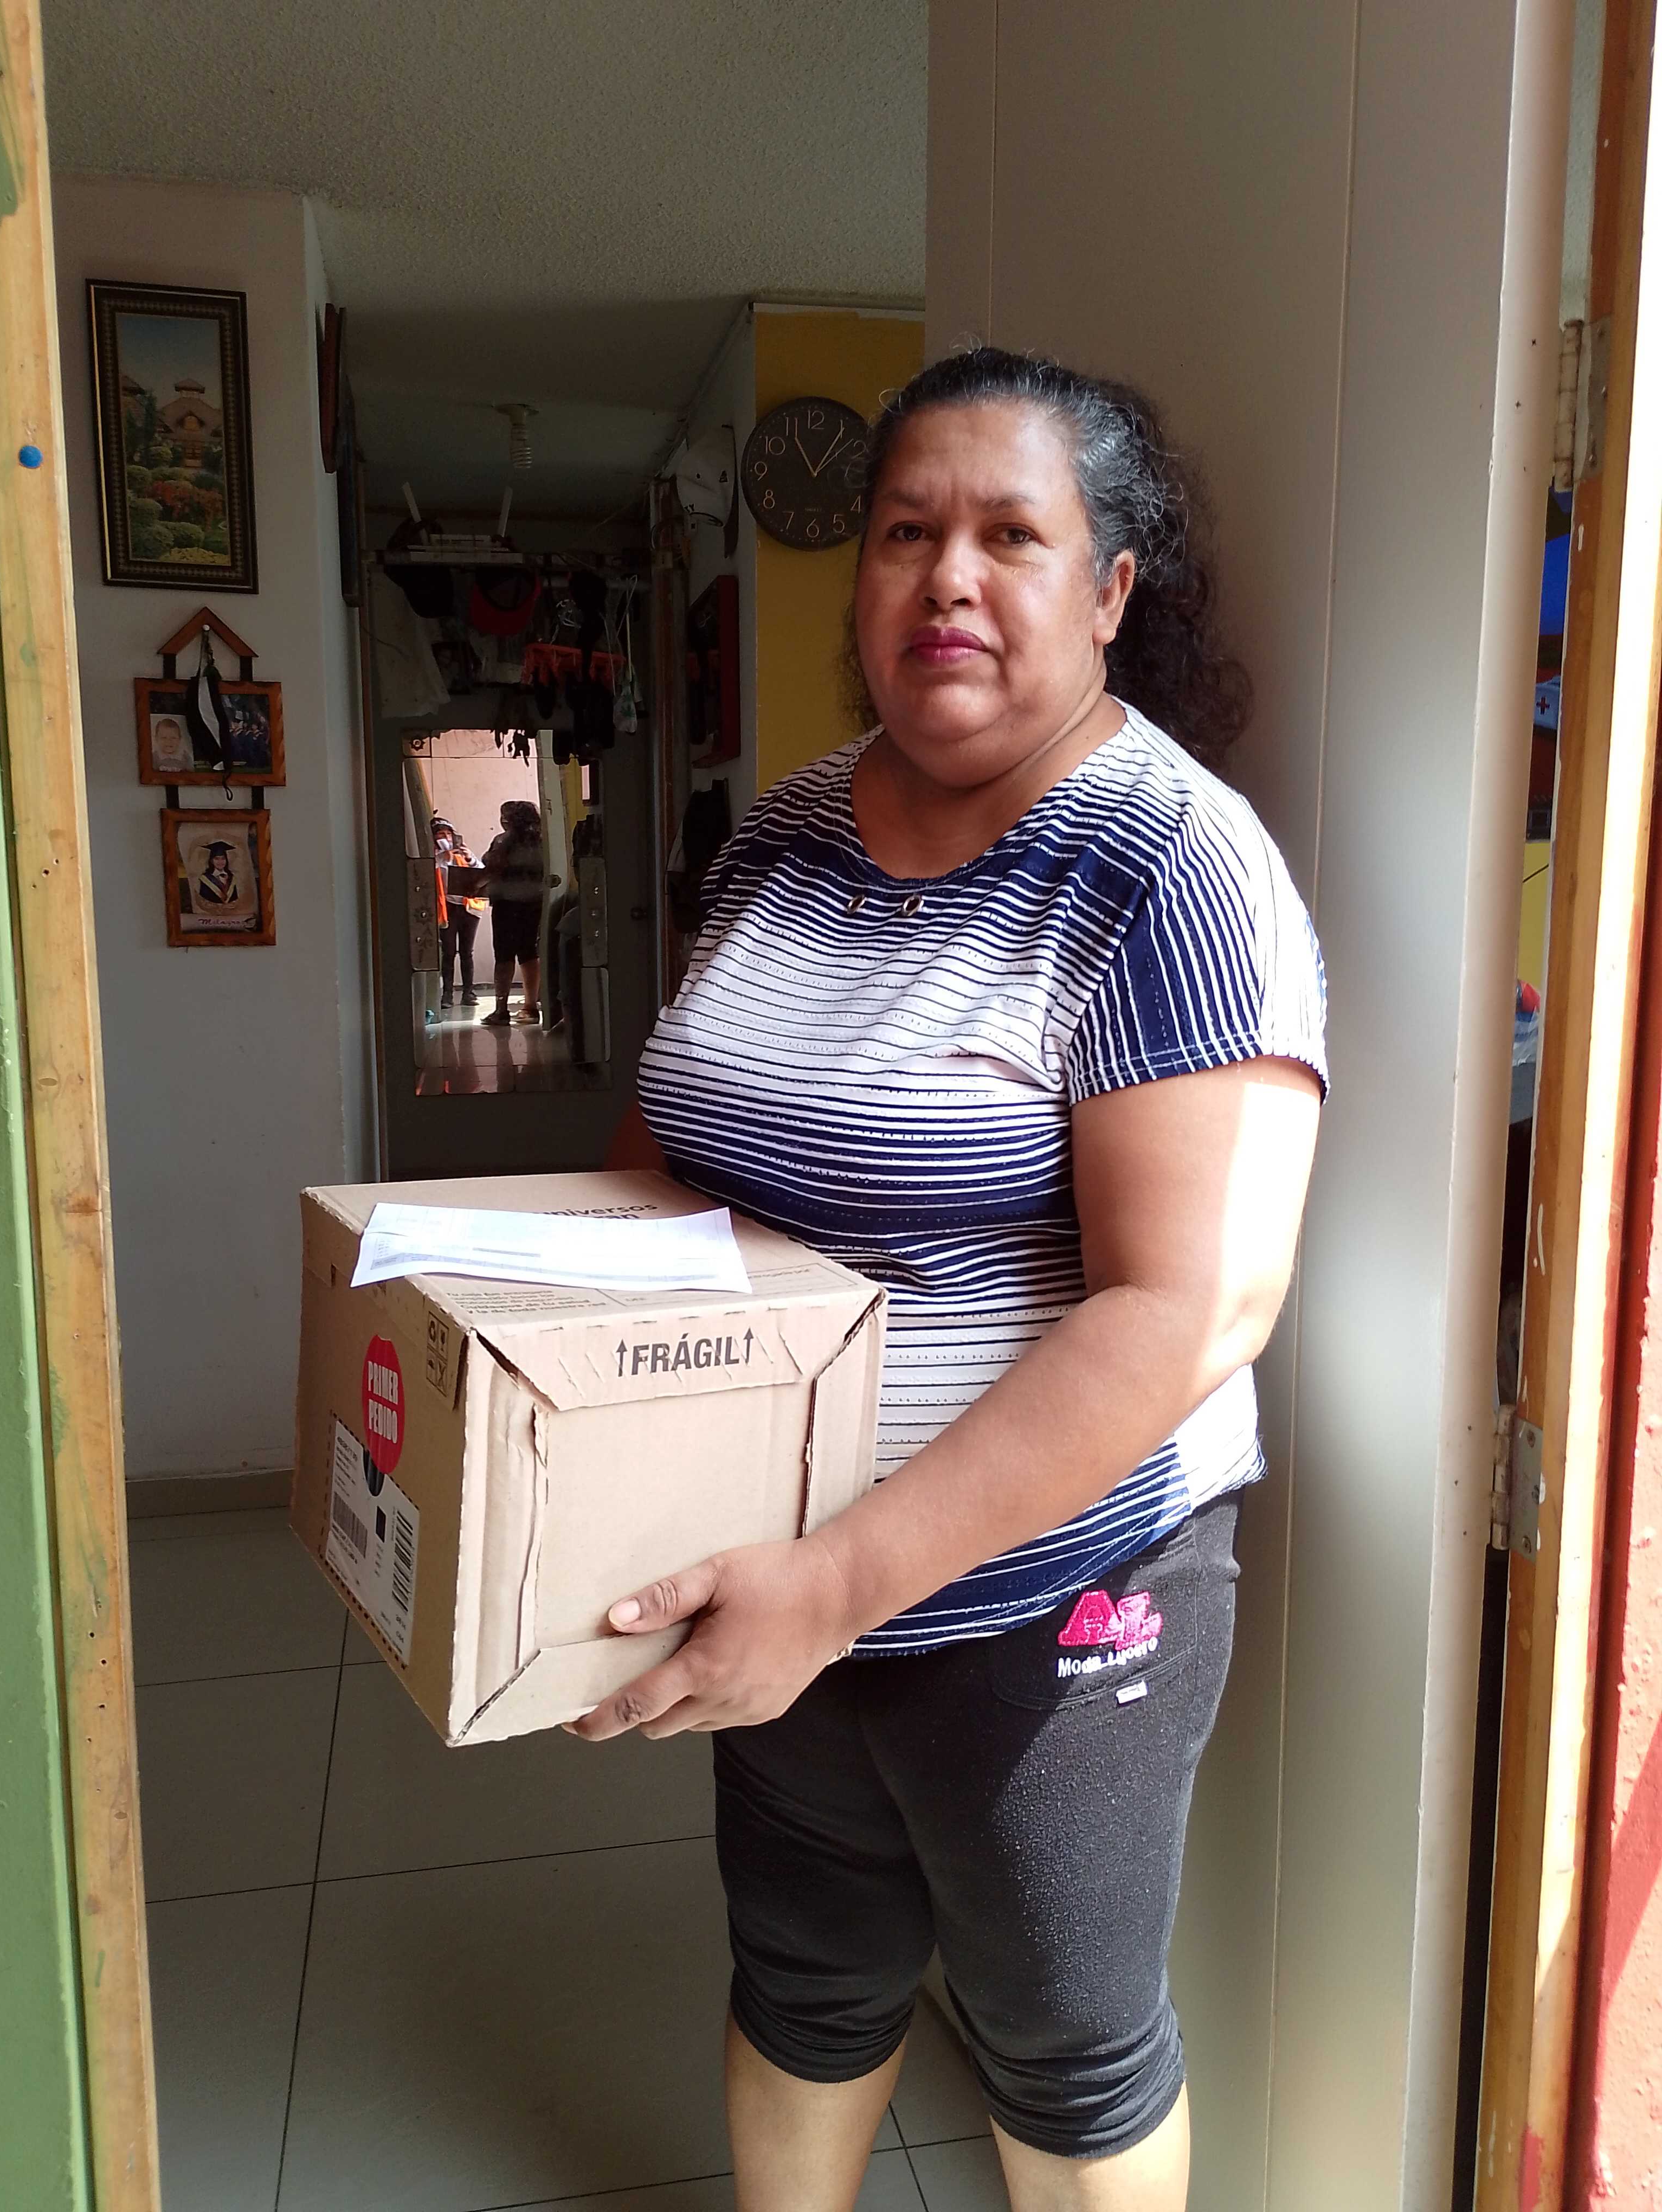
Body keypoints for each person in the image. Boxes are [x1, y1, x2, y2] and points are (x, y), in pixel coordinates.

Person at [578, 348, 1328, 2212]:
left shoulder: (1168, 869)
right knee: (803, 1972)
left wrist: (843, 1580)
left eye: (1011, 534)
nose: (949, 579)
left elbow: (1186, 1308)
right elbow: (677, 1143)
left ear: (1112, 588)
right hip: (774, 1565)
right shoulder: (783, 832)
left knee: (1063, 2040)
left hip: (1046, 1601)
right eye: (907, 532)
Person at [478, 799, 561, 1027]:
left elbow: (491, 866)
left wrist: (474, 884)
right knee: (529, 954)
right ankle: (531, 1007)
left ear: (510, 820)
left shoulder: (503, 841)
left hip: (506, 904)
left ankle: (501, 1009)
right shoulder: (544, 842)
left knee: (504, 956)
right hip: (535, 903)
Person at [431, 815, 485, 1009]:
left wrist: (470, 858)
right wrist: (441, 858)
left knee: (467, 952)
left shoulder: (463, 853)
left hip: (469, 908)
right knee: (448, 952)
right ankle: (447, 994)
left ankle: (469, 992)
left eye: (448, 834)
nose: (446, 837)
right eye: (440, 834)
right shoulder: (432, 857)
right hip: (447, 909)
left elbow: (481, 872)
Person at [195, 840, 237, 906]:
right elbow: (204, 901)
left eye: (223, 859)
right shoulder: (206, 879)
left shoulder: (232, 878)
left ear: (226, 860)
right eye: (217, 859)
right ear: (212, 861)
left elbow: (235, 899)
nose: (220, 862)